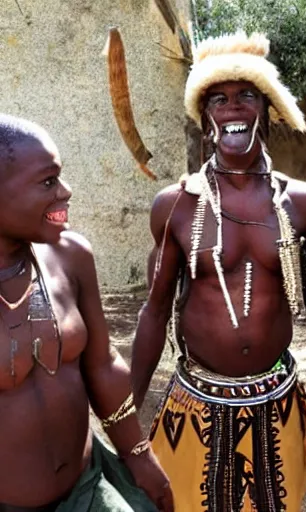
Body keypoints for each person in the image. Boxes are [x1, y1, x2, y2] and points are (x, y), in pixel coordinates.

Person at [131, 31, 306, 512]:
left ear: (265, 109)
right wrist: (126, 418)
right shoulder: (176, 206)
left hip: (276, 401)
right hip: (197, 401)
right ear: (205, 117)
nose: (233, 108)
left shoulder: (302, 202)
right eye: (218, 99)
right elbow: (154, 313)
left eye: (246, 96)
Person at [0, 114, 173, 511]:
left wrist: (139, 455)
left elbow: (102, 365)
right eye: (48, 181)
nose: (66, 191)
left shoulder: (70, 256)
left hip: (88, 490)